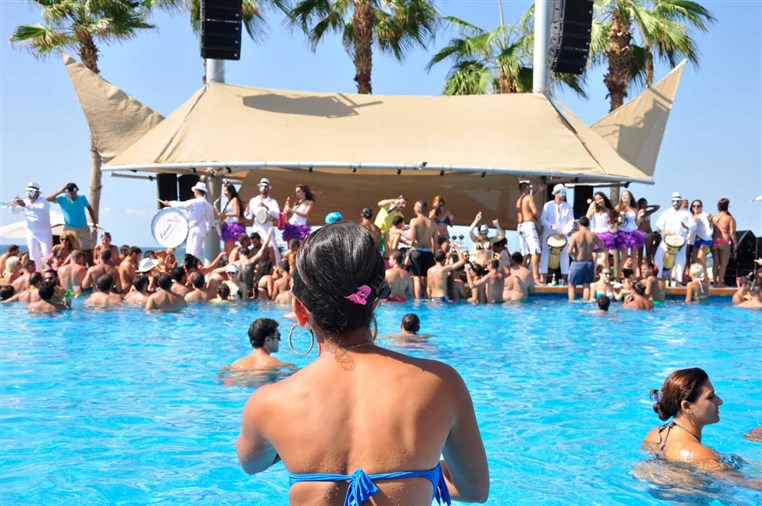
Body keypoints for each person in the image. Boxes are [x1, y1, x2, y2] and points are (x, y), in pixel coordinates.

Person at [236, 223, 489, 504]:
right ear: (376, 301)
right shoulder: (441, 384)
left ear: (300, 311)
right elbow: (474, 490)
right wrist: (420, 469)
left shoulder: (268, 404)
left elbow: (252, 463)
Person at [643, 368, 728, 470]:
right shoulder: (702, 455)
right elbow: (739, 479)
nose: (720, 401)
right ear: (687, 406)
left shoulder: (654, 435)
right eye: (710, 397)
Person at [160, 181, 215, 260]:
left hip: (194, 229)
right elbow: (210, 220)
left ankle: (190, 266)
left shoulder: (195, 202)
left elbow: (183, 205)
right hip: (202, 231)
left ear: (196, 191)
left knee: (191, 252)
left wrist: (169, 203)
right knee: (196, 252)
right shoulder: (209, 205)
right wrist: (206, 230)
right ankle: (193, 265)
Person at [47, 182, 98, 264]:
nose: (73, 194)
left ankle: (90, 268)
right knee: (68, 248)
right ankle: (68, 266)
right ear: (67, 192)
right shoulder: (62, 199)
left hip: (83, 227)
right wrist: (60, 191)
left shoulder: (82, 198)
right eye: (71, 193)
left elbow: (90, 209)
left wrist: (95, 223)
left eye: (74, 192)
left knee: (87, 249)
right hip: (69, 228)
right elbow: (48, 199)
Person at [654, 191, 696, 285]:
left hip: (681, 240)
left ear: (681, 201)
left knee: (680, 260)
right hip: (667, 239)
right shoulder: (666, 212)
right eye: (673, 201)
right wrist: (665, 231)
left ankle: (678, 281)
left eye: (677, 201)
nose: (675, 203)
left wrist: (686, 227)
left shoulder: (687, 213)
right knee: (658, 257)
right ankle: (658, 278)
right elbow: (659, 225)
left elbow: (694, 226)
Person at [11, 181, 52, 269]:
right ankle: (35, 272)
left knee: (47, 253)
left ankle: (48, 272)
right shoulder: (26, 201)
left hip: (44, 233)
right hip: (31, 233)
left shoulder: (44, 201)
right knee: (33, 254)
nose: (29, 193)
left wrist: (25, 205)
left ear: (37, 192)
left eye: (31, 191)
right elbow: (15, 211)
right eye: (27, 191)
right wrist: (13, 204)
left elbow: (39, 209)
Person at [230, 318, 297, 371]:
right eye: (278, 336)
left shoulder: (235, 365)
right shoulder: (279, 365)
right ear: (268, 340)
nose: (279, 340)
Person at [539, 184, 575, 284]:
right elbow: (542, 219)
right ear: (556, 193)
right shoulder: (548, 205)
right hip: (549, 234)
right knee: (545, 255)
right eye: (561, 192)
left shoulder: (568, 207)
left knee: (564, 256)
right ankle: (542, 278)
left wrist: (565, 231)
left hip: (562, 235)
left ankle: (564, 279)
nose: (563, 194)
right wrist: (550, 226)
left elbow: (571, 221)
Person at [567, 216, 607, 301]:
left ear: (579, 224)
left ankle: (571, 302)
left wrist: (575, 254)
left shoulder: (575, 235)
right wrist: (593, 250)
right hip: (589, 262)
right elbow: (603, 248)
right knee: (586, 285)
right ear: (588, 224)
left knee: (571, 284)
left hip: (578, 262)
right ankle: (585, 303)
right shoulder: (593, 235)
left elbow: (569, 251)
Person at [406, 200, 438, 300]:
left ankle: (417, 301)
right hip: (428, 253)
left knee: (416, 278)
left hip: (417, 252)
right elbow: (436, 243)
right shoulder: (433, 224)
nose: (413, 208)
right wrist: (435, 256)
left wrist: (400, 232)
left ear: (418, 209)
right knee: (428, 279)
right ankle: (429, 300)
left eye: (414, 206)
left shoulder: (414, 221)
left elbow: (411, 238)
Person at [245, 178, 281, 264]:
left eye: (265, 186)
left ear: (268, 188)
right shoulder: (253, 200)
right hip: (257, 226)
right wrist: (246, 212)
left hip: (267, 227)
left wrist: (267, 207)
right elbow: (249, 216)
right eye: (262, 186)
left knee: (272, 247)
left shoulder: (272, 202)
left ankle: (275, 266)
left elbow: (278, 215)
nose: (263, 188)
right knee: (257, 247)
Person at [614, 190, 646, 280]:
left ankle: (634, 278)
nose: (624, 196)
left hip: (633, 232)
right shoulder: (618, 207)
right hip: (622, 232)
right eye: (623, 195)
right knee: (624, 256)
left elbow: (636, 223)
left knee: (634, 257)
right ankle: (618, 277)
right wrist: (617, 220)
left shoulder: (635, 209)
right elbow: (613, 220)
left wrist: (640, 217)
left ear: (630, 197)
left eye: (626, 195)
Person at [516, 181, 541, 283]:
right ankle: (536, 277)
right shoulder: (529, 198)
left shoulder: (519, 200)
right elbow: (535, 211)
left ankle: (523, 277)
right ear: (526, 188)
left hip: (520, 226)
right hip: (529, 225)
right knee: (536, 251)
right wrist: (537, 217)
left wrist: (538, 191)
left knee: (525, 253)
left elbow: (529, 198)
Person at [586, 191, 618, 270]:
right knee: (594, 257)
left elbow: (612, 225)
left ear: (603, 199)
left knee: (605, 258)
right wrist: (590, 207)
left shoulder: (609, 210)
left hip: (605, 234)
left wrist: (611, 223)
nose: (598, 201)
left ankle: (605, 274)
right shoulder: (594, 210)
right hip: (595, 235)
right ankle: (593, 275)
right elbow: (586, 219)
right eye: (596, 200)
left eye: (600, 198)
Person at [711, 198, 736, 287]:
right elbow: (732, 233)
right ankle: (720, 283)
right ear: (727, 206)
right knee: (723, 264)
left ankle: (714, 282)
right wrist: (735, 243)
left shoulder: (713, 218)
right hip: (724, 241)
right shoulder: (729, 218)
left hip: (714, 241)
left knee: (715, 263)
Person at [217, 183, 246, 256]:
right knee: (226, 249)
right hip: (228, 225)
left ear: (230, 191)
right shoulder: (228, 201)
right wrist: (223, 222)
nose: (224, 193)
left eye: (225, 191)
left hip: (233, 227)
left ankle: (237, 254)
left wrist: (223, 214)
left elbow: (236, 213)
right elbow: (229, 216)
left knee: (229, 249)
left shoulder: (235, 200)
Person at [689, 200, 713, 278]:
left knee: (701, 257)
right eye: (694, 206)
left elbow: (710, 225)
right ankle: (696, 278)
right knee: (694, 260)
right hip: (696, 240)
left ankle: (706, 278)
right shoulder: (691, 217)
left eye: (698, 206)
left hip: (705, 239)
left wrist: (710, 221)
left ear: (701, 207)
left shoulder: (705, 214)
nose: (696, 207)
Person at [637, 197, 661, 266]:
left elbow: (657, 207)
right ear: (640, 204)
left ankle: (649, 268)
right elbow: (643, 215)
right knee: (640, 254)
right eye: (644, 203)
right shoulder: (640, 211)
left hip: (648, 233)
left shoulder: (647, 212)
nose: (645, 205)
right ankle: (639, 269)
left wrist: (649, 206)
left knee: (649, 253)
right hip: (640, 234)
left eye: (646, 203)